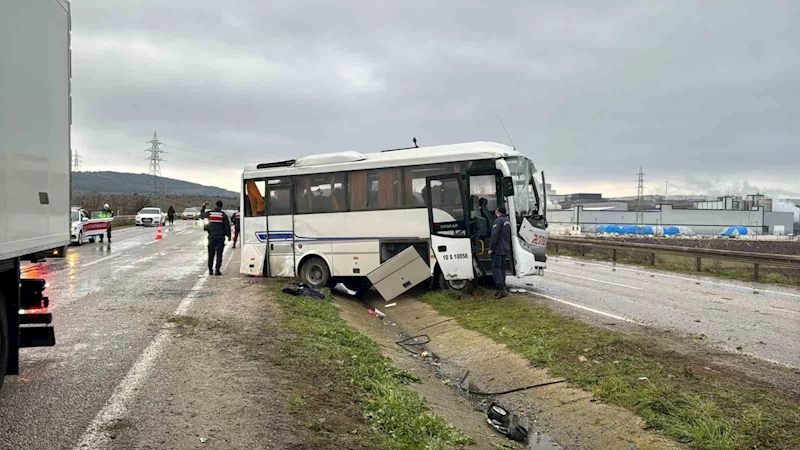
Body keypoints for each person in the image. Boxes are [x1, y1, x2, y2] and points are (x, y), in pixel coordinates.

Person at [200, 200, 231, 276]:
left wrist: (204, 206)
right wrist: (229, 236)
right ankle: (217, 270)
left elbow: (201, 215)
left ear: (215, 205)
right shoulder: (223, 215)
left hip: (212, 237)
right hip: (220, 237)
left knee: (211, 254)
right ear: (221, 206)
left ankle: (210, 270)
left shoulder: (210, 213)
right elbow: (227, 226)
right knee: (219, 254)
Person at [488, 205, 511, 298]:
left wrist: (491, 248)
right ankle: (503, 288)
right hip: (505, 248)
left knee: (496, 268)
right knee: (502, 268)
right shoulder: (507, 221)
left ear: (498, 211)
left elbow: (494, 235)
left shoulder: (498, 221)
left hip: (498, 248)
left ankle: (501, 289)